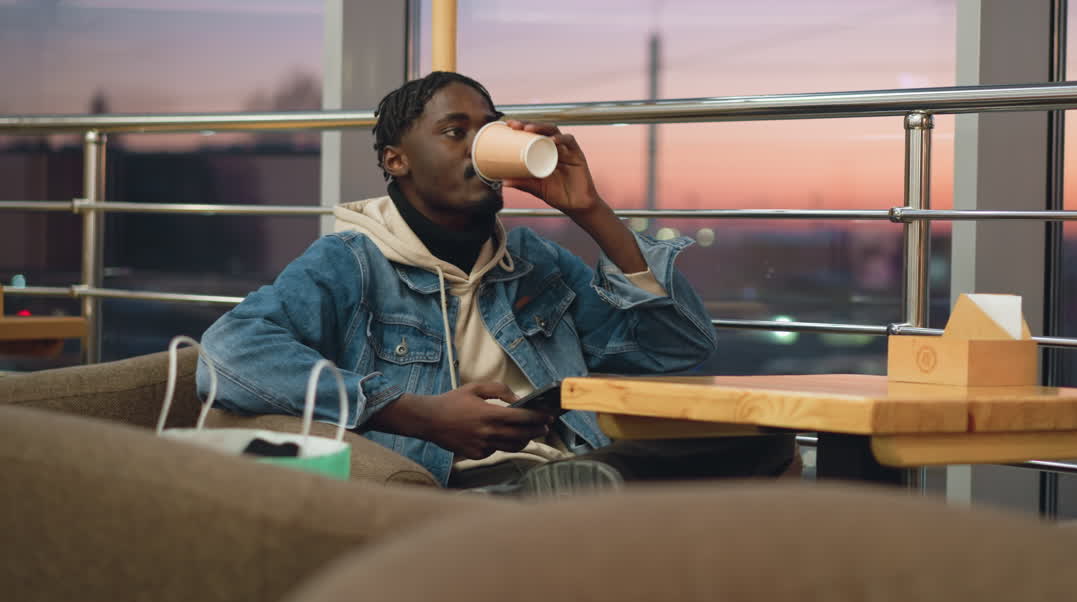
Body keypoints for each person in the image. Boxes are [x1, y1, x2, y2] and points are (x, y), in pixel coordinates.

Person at [196, 71, 792, 491]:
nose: (480, 146)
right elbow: (228, 355)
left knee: (765, 440)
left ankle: (584, 492)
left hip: (571, 464)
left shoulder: (532, 259)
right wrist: (415, 414)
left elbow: (676, 350)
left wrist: (591, 212)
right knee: (627, 481)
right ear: (395, 160)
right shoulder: (349, 263)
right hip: (450, 484)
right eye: (456, 131)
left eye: (489, 130)